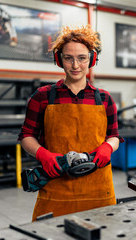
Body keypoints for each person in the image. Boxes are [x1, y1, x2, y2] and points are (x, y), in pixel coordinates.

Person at [18, 25, 123, 221]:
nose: (75, 65)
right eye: (68, 58)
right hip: (57, 189)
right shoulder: (42, 97)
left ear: (91, 59)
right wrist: (44, 155)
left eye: (82, 58)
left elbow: (114, 136)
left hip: (99, 190)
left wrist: (107, 148)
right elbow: (26, 136)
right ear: (59, 60)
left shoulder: (105, 98)